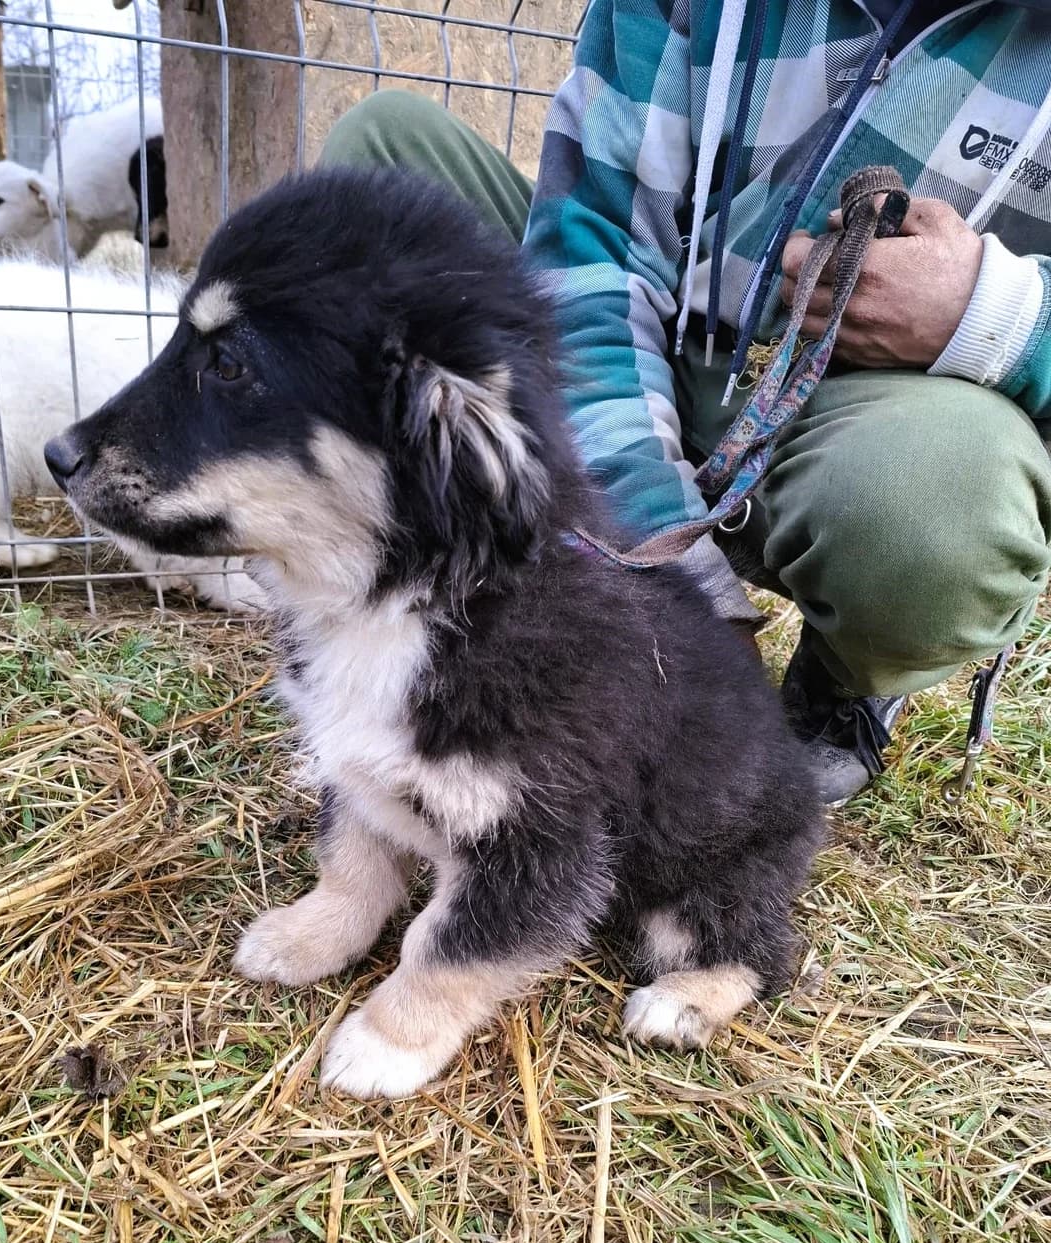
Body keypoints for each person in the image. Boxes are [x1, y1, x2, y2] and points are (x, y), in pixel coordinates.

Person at [319, 0, 1051, 804]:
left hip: (879, 419)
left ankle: (840, 683)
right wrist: (676, 588)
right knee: (375, 170)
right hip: (660, 331)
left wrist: (999, 318)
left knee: (943, 503)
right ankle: (452, 600)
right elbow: (592, 252)